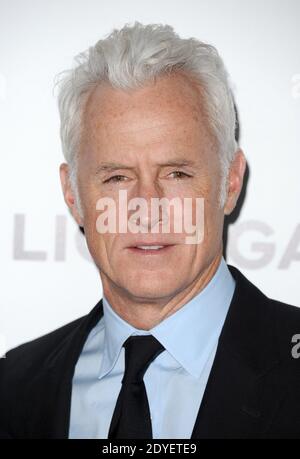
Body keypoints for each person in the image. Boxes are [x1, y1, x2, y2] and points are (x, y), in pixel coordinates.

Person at [1, 22, 299, 439]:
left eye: (176, 173)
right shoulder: (13, 386)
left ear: (230, 183)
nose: (146, 209)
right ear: (72, 195)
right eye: (117, 178)